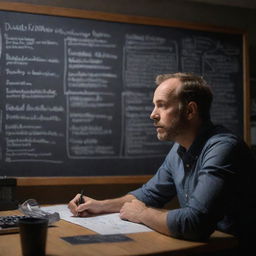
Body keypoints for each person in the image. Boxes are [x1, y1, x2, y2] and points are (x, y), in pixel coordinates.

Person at [68, 72, 256, 249]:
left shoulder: (224, 148)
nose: (153, 114)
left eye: (162, 105)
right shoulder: (179, 149)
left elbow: (195, 223)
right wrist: (100, 205)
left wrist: (142, 214)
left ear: (190, 111)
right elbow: (149, 194)